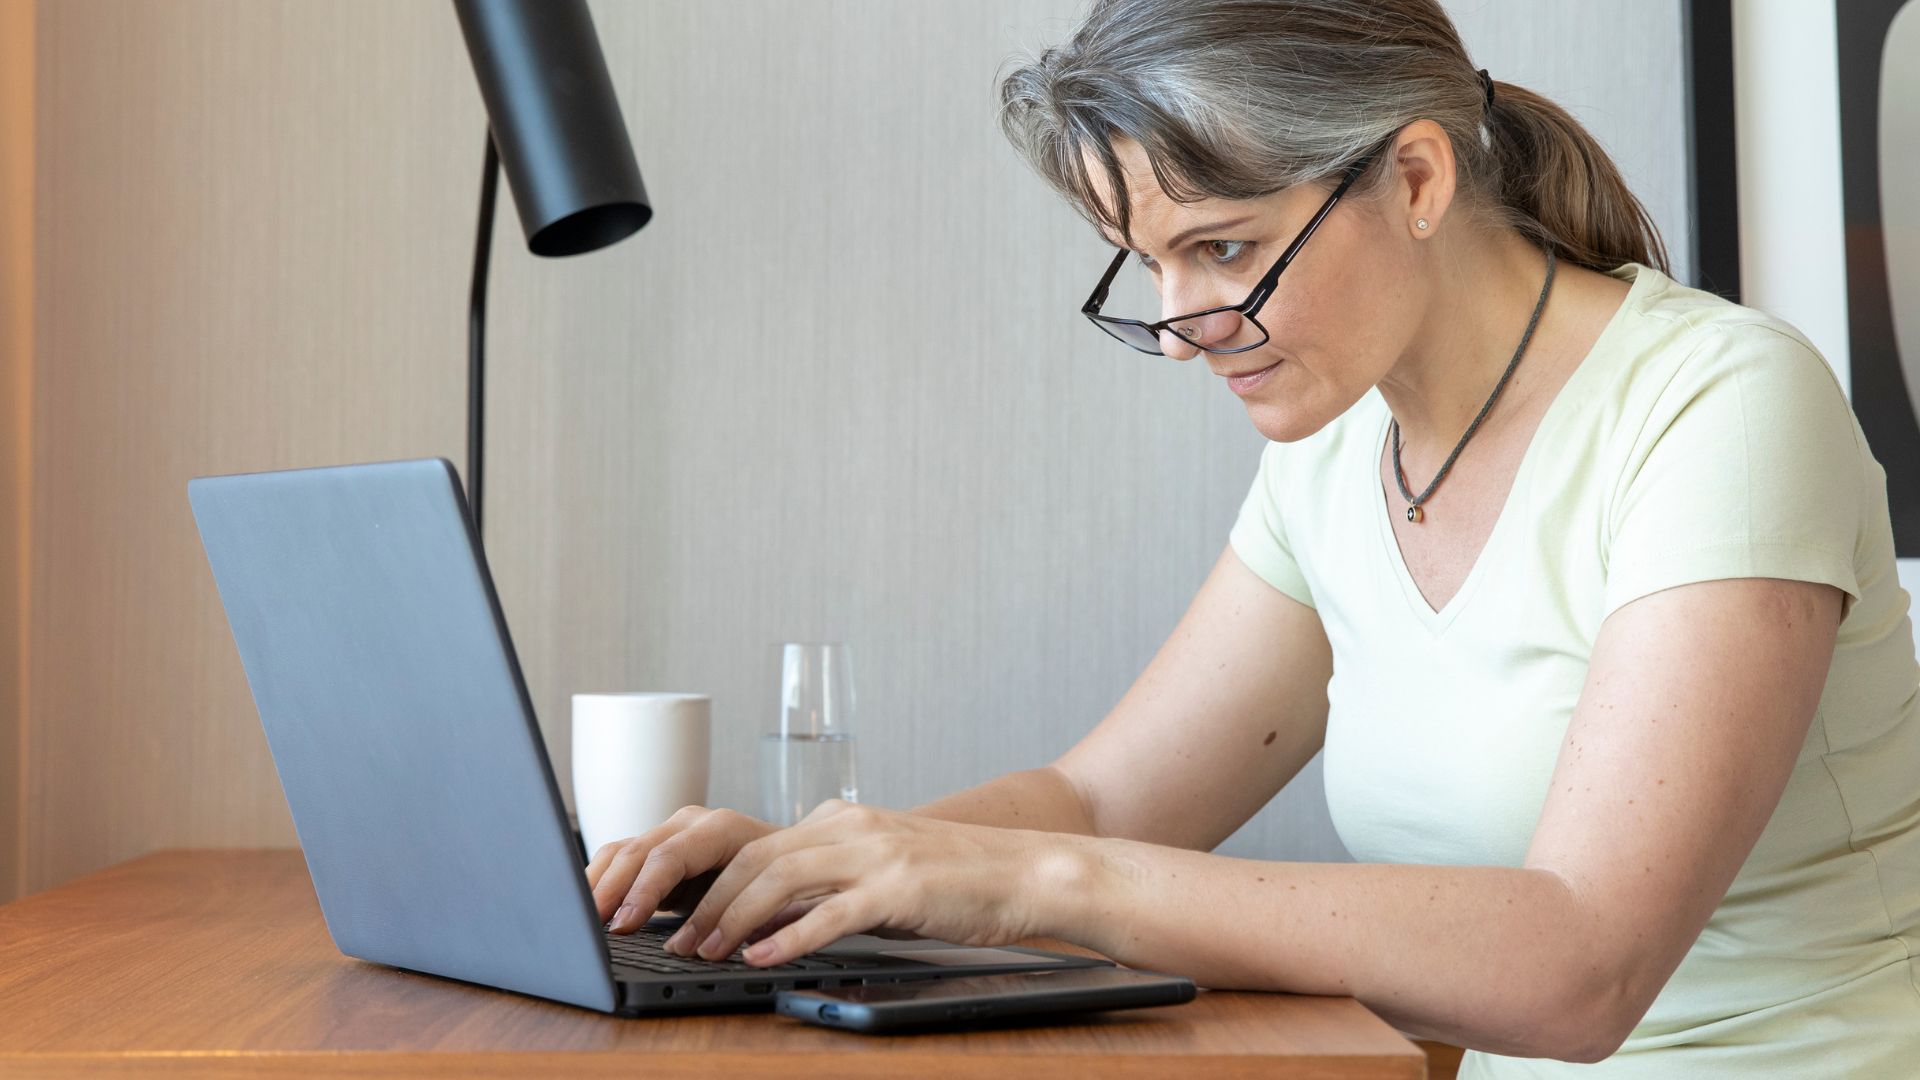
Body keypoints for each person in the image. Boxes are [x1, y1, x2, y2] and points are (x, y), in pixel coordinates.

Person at [585, 1, 1920, 1073]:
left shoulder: (1720, 407)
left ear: (1414, 176)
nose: (1181, 325)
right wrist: (815, 874)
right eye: (1147, 262)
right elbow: (1105, 802)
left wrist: (1042, 882)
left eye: (1225, 251)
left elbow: (1580, 969)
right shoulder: (1340, 448)